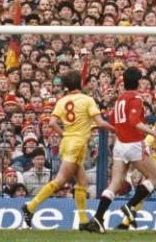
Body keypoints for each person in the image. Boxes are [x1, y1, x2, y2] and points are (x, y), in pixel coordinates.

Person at [22, 70, 115, 232]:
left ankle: (83, 221)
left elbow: (51, 123)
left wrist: (64, 134)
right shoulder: (87, 100)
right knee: (61, 180)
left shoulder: (62, 101)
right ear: (80, 83)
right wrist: (116, 129)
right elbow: (100, 122)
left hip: (67, 142)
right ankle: (30, 207)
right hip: (77, 144)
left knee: (82, 183)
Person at [92, 67, 156, 233]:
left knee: (115, 183)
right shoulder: (136, 98)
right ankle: (130, 205)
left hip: (120, 144)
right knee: (154, 178)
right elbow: (134, 121)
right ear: (139, 81)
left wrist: (121, 133)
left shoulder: (119, 99)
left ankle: (98, 218)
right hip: (134, 143)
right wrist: (154, 132)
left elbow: (113, 122)